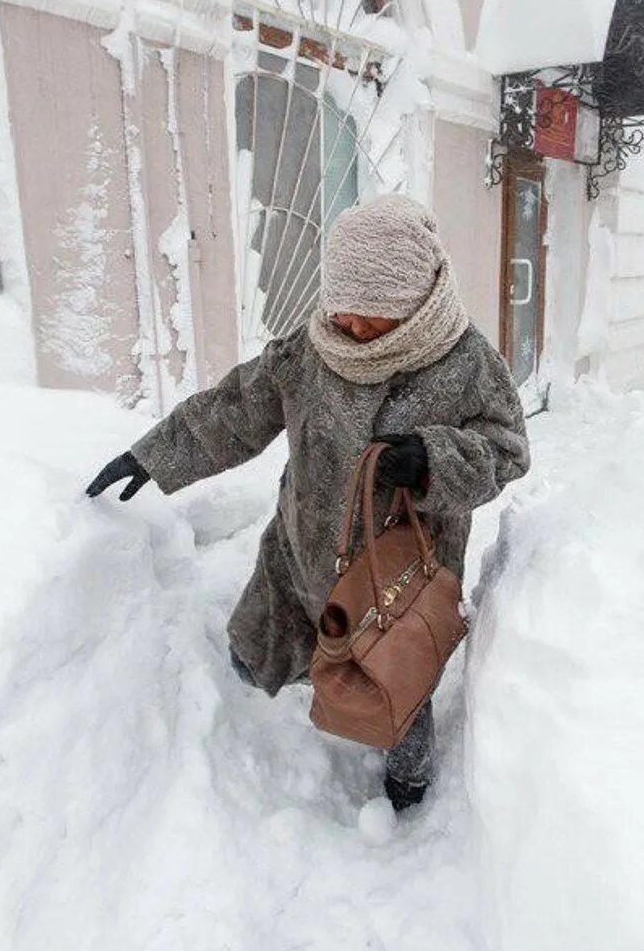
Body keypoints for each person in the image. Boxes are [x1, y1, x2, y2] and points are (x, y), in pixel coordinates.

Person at [85, 194, 530, 812]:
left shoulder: (466, 361)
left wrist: (435, 460)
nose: (351, 328)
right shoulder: (314, 347)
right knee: (255, 656)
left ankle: (408, 775)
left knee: (398, 678)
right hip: (304, 551)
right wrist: (155, 456)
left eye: (369, 317)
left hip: (399, 573)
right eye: (342, 310)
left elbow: (506, 449)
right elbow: (238, 408)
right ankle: (285, 690)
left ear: (413, 301)